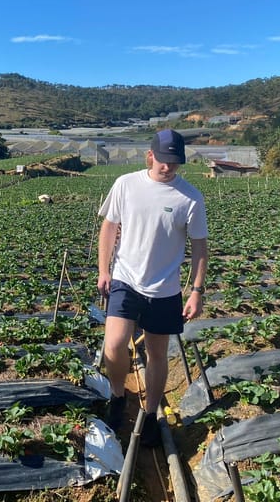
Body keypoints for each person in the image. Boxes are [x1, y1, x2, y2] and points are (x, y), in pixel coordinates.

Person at [96, 129, 208, 447]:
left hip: (165, 288)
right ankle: (118, 395)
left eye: (174, 163)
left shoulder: (190, 198)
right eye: (163, 160)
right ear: (150, 155)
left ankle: (148, 415)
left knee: (157, 354)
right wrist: (104, 270)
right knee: (115, 344)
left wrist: (196, 290)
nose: (168, 168)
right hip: (126, 280)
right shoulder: (126, 185)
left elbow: (200, 247)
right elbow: (109, 227)